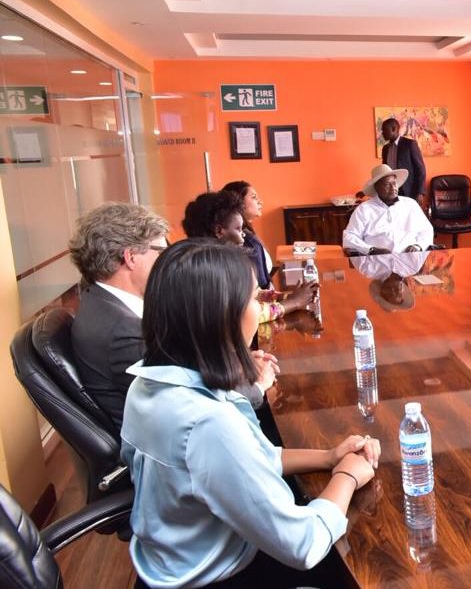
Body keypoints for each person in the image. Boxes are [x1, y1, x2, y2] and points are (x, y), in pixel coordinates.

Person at [122, 239, 382, 588]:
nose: (259, 309)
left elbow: (250, 458)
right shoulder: (207, 423)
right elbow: (303, 543)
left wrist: (329, 456)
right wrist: (347, 475)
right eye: (253, 299)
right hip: (220, 576)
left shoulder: (149, 382)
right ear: (221, 315)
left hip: (175, 560)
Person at [68, 203, 176, 431]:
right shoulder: (123, 332)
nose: (167, 262)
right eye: (161, 252)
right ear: (131, 257)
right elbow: (180, 403)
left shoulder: (98, 301)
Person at [182, 191, 317, 323]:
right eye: (238, 229)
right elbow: (248, 314)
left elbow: (253, 294)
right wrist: (294, 302)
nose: (244, 235)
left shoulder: (211, 261)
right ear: (219, 231)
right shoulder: (213, 270)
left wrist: (288, 296)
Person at [343, 164, 434, 256]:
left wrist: (418, 246)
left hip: (410, 259)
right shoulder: (364, 209)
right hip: (376, 261)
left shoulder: (411, 204)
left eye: (394, 183)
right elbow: (349, 237)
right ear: (376, 187)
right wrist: (371, 250)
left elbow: (427, 230)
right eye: (387, 184)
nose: (393, 187)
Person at [222, 180, 273, 289]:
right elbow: (261, 286)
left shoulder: (248, 235)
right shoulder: (247, 240)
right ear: (239, 203)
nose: (260, 202)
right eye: (254, 197)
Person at [380, 117, 427, 205]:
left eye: (384, 130)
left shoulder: (410, 144)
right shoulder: (385, 149)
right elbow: (385, 171)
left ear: (394, 129)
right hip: (391, 190)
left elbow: (420, 169)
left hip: (409, 191)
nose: (382, 133)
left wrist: (420, 192)